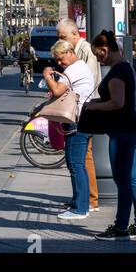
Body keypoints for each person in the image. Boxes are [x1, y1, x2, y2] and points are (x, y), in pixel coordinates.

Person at [83, 31, 136, 241]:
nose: (98, 59)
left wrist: (94, 107)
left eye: (98, 55)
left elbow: (117, 103)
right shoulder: (124, 67)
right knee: (132, 178)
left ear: (105, 50)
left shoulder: (118, 71)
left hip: (124, 131)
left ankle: (122, 227)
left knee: (123, 180)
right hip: (131, 128)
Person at [43, 39, 96, 220]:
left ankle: (80, 208)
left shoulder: (73, 69)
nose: (59, 63)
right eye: (57, 60)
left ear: (70, 52)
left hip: (77, 121)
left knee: (75, 165)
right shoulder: (81, 67)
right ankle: (79, 202)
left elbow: (57, 90)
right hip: (84, 119)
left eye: (60, 58)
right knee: (77, 164)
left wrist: (47, 75)